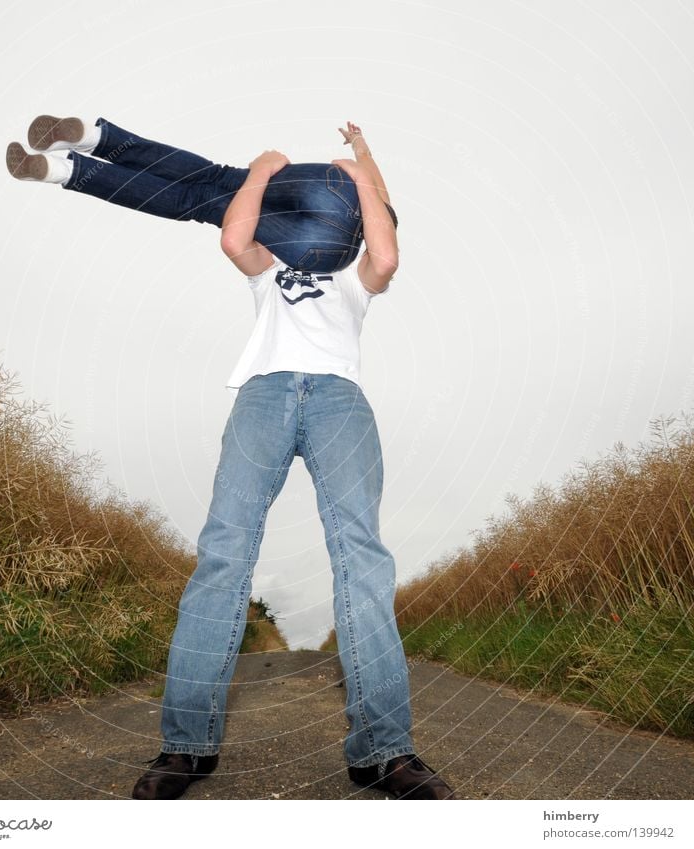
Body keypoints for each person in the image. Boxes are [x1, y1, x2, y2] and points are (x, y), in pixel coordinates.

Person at [119, 123, 456, 801]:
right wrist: (264, 169)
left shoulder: (357, 279)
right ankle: (185, 746)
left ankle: (385, 751)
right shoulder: (271, 267)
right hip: (266, 394)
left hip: (337, 399)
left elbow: (386, 256)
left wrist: (360, 166)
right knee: (223, 553)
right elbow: (232, 236)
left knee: (361, 557)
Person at [6, 117, 398, 273]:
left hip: (340, 191)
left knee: (217, 177)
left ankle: (95, 138)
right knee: (196, 202)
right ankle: (66, 170)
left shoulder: (381, 208)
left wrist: (359, 148)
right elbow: (384, 263)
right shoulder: (363, 281)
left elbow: (374, 186)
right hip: (325, 253)